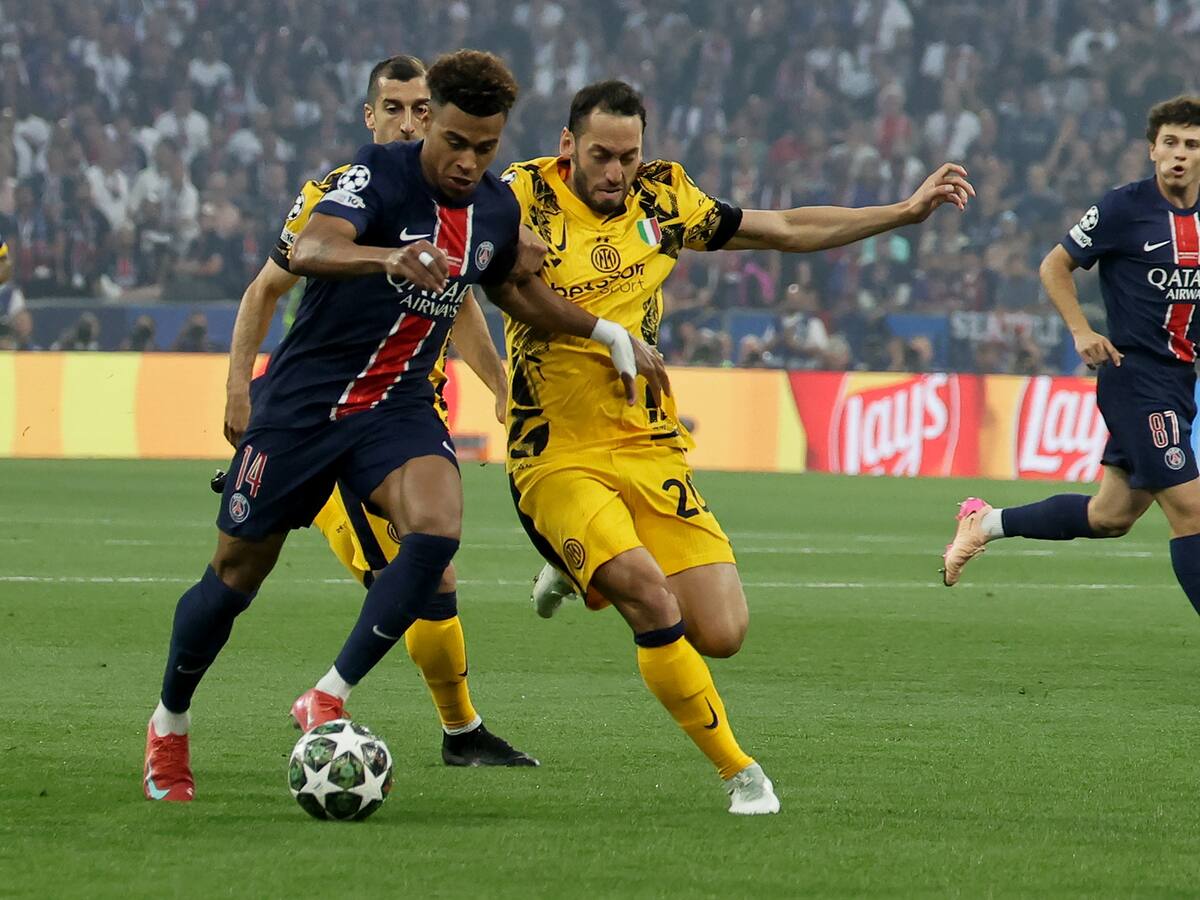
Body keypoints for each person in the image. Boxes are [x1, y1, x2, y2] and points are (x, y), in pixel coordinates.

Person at [143, 50, 663, 803]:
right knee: (233, 579)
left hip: (398, 408)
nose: (466, 160)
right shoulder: (373, 175)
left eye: (483, 148)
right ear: (430, 124)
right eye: (454, 141)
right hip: (302, 407)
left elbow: (513, 292)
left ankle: (326, 695)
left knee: (437, 529)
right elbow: (311, 248)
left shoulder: (493, 207)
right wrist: (391, 257)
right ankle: (170, 724)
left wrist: (602, 332)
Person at [506, 80, 973, 814]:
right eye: (600, 155)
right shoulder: (522, 198)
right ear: (568, 146)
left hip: (647, 442)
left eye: (628, 156)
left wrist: (903, 213)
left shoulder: (664, 200)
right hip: (556, 448)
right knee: (649, 597)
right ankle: (741, 772)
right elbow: (510, 292)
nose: (614, 172)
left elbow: (783, 227)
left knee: (722, 632)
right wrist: (608, 335)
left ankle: (581, 574)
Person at [221, 54, 538, 768]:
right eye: (392, 108)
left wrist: (499, 382)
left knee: (431, 566)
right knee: (409, 570)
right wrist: (239, 387)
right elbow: (265, 288)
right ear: (370, 117)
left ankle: (458, 731)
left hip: (400, 417)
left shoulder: (455, 208)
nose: (407, 121)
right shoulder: (341, 192)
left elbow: (457, 304)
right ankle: (396, 718)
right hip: (326, 415)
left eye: (419, 109)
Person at [942, 95, 1200, 620]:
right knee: (1193, 512)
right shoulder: (1123, 208)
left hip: (1178, 382)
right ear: (1152, 149)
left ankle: (985, 523)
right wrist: (1081, 330)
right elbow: (1055, 265)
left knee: (1110, 516)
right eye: (1169, 143)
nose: (1179, 154)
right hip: (1135, 381)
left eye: (1191, 145)